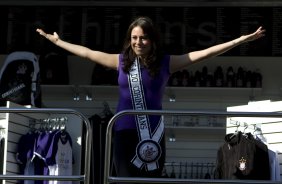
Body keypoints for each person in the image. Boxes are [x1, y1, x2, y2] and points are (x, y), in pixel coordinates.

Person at [36, 16, 265, 180]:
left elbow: (205, 53)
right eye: (134, 38)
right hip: (123, 133)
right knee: (123, 179)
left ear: (152, 40)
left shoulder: (166, 63)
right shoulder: (121, 62)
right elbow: (87, 53)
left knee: (151, 180)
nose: (138, 42)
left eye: (143, 38)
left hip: (153, 135)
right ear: (129, 39)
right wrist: (58, 42)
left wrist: (240, 40)